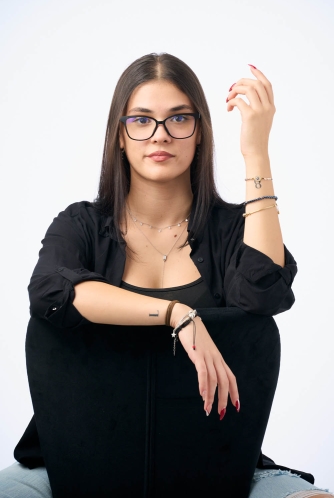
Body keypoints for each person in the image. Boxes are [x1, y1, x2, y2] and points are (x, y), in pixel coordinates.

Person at [0, 53, 332, 498]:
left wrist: (256, 152)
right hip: (70, 466)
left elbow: (262, 296)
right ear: (120, 135)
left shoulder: (234, 229)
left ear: (200, 134)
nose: (160, 135)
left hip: (222, 468)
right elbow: (51, 294)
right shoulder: (79, 225)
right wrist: (176, 314)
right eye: (141, 120)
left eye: (179, 119)